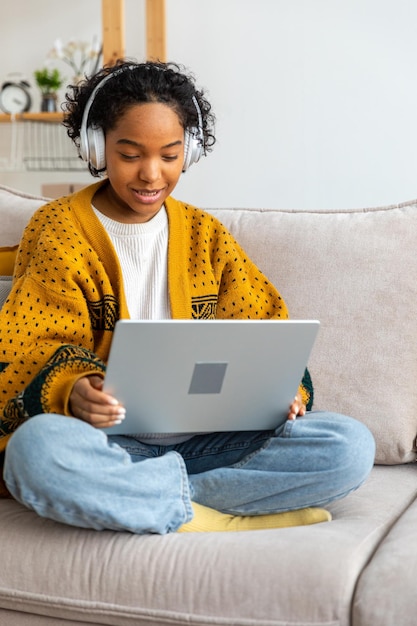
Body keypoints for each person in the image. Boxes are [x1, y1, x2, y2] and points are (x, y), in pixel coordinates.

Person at [0, 60, 375, 534]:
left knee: (349, 445)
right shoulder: (59, 230)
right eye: (130, 154)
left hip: (214, 443)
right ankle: (217, 511)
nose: (151, 174)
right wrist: (72, 390)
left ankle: (167, 503)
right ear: (97, 146)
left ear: (190, 152)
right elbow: (30, 343)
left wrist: (285, 393)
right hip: (111, 446)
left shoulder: (206, 234)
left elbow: (263, 327)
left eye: (170, 155)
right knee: (35, 453)